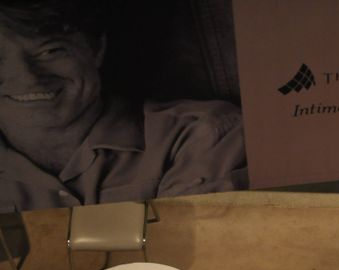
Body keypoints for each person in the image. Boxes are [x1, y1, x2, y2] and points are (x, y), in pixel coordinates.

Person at [0, 0, 247, 211]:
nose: (27, 77)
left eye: (51, 51)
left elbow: (193, 247)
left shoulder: (203, 135)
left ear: (96, 48)